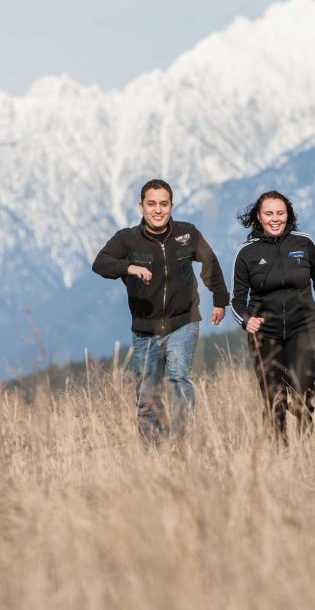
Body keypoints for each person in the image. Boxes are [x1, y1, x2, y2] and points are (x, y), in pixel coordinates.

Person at [92, 179, 229, 442]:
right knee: (146, 397)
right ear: (141, 207)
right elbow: (101, 263)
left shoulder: (187, 234)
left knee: (178, 378)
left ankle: (182, 445)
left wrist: (220, 299)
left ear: (171, 206)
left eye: (163, 204)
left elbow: (210, 262)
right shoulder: (127, 239)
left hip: (183, 321)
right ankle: (155, 454)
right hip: (145, 329)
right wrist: (129, 267)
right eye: (151, 204)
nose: (158, 210)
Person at [230, 191, 315, 440]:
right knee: (273, 397)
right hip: (265, 334)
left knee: (303, 394)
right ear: (259, 216)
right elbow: (236, 300)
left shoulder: (303, 243)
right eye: (269, 214)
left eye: (280, 213)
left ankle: (306, 451)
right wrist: (247, 320)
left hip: (303, 328)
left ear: (288, 215)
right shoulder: (246, 252)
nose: (275, 219)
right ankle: (280, 455)